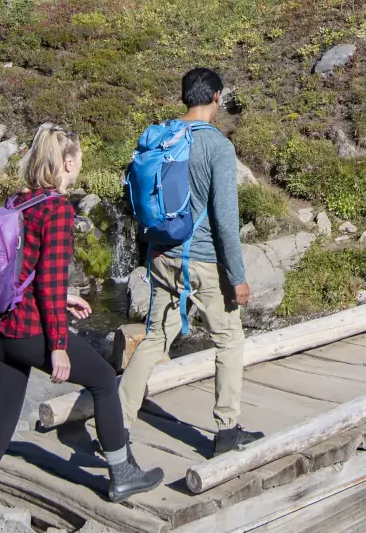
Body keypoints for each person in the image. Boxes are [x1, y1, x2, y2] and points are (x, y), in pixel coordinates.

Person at [0, 123, 161, 533]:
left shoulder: (20, 201)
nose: (80, 164)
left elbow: (24, 270)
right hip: (32, 332)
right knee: (103, 379)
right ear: (67, 162)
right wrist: (59, 345)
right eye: (78, 158)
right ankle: (122, 474)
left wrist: (64, 296)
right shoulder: (58, 209)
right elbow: (48, 283)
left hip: (1, 331)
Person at [119, 68, 264, 457]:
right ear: (216, 97)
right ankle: (227, 431)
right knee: (229, 341)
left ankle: (118, 423)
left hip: (161, 255)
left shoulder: (161, 136)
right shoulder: (217, 147)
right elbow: (225, 221)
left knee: (154, 338)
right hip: (201, 262)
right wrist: (237, 277)